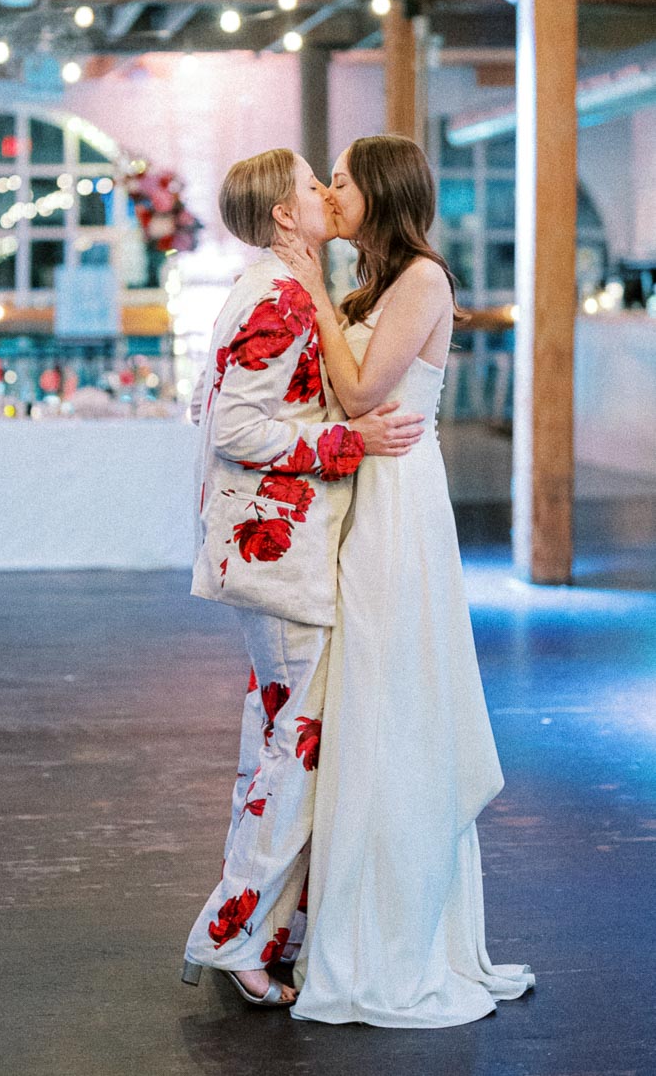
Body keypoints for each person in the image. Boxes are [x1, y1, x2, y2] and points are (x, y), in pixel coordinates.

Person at [273, 135, 534, 1027]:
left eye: (341, 181)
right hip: (360, 494)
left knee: (392, 703)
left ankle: (394, 935)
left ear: (378, 193)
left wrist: (307, 287)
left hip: (395, 506)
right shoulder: (372, 287)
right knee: (359, 708)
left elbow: (359, 395)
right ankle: (350, 916)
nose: (331, 192)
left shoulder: (422, 279)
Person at [182, 148, 425, 1008]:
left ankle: (256, 924)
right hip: (277, 560)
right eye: (312, 185)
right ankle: (236, 935)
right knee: (295, 758)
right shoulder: (280, 299)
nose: (326, 193)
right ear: (286, 215)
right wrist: (347, 443)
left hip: (267, 556)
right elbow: (236, 429)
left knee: (274, 746)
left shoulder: (272, 289)